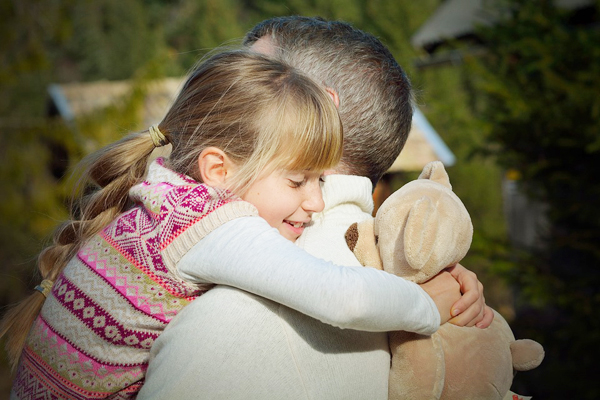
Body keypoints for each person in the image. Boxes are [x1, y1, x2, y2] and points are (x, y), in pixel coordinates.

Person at [3, 50, 459, 400]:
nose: (317, 201)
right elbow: (342, 296)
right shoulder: (209, 224)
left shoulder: (164, 193)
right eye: (298, 180)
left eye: (320, 180)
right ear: (218, 170)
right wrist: (427, 306)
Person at [139, 17, 492, 400]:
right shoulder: (414, 279)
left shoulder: (231, 319)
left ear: (320, 105)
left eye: (256, 75)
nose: (222, 98)